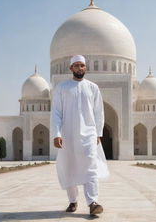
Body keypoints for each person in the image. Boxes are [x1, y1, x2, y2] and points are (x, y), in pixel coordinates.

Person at [50, 55, 109, 216]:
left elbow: (99, 112)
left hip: (88, 135)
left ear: (85, 68)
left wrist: (98, 132)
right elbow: (56, 113)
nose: (79, 68)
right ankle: (73, 201)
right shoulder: (62, 87)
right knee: (69, 167)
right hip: (67, 134)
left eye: (82, 65)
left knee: (90, 167)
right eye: (76, 66)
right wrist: (56, 134)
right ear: (71, 68)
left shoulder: (92, 88)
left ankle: (92, 202)